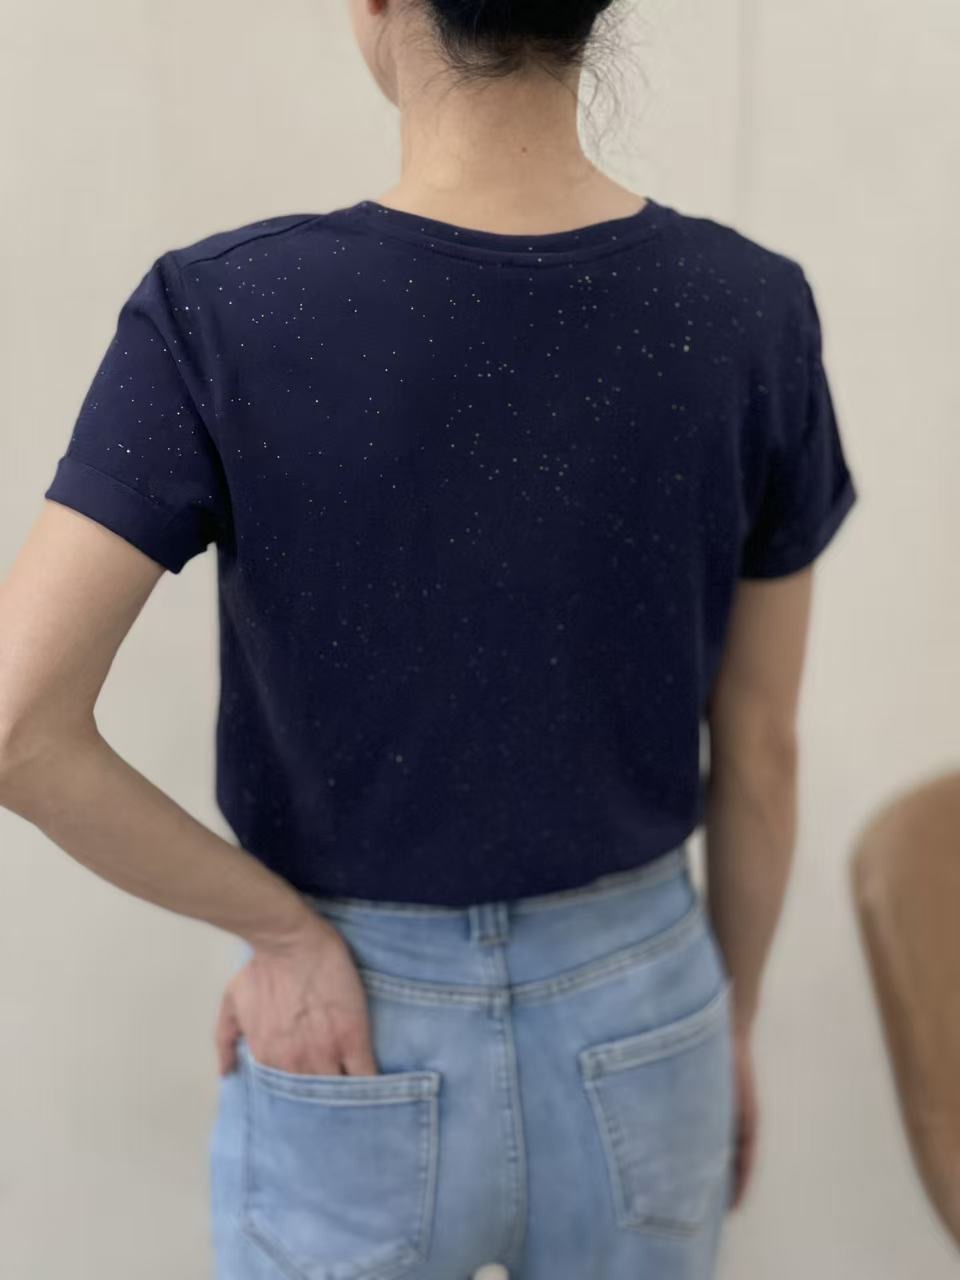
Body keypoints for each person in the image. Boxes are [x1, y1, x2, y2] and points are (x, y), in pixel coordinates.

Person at [0, 0, 859, 1277]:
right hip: (642, 1006)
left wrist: (282, 934)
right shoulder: (753, 308)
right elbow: (762, 749)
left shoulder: (221, 309)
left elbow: (18, 727)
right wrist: (718, 1018)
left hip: (348, 1018)